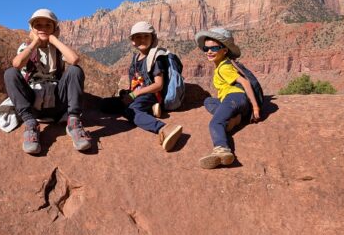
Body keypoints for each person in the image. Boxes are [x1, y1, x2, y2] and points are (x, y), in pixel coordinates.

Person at [3, 8, 91, 154]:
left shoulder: (57, 49)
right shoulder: (26, 48)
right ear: (31, 29)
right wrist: (35, 42)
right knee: (10, 73)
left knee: (75, 70)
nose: (43, 28)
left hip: (57, 102)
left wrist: (54, 40)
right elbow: (17, 64)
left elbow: (74, 60)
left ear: (55, 29)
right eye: (38, 25)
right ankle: (30, 124)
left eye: (48, 25)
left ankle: (73, 122)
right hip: (33, 104)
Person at [101, 21, 183, 151]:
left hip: (151, 95)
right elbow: (136, 82)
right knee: (105, 104)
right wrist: (128, 93)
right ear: (133, 40)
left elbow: (158, 85)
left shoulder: (156, 58)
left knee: (130, 111)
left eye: (146, 36)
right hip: (137, 95)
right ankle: (150, 110)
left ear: (153, 38)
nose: (142, 39)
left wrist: (134, 94)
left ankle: (163, 128)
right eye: (138, 36)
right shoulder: (135, 58)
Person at [194, 27, 260, 169]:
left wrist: (255, 107)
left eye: (214, 48)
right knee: (208, 101)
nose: (209, 51)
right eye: (206, 49)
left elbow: (245, 82)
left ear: (224, 50)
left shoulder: (224, 67)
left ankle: (222, 150)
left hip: (235, 98)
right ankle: (235, 118)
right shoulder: (222, 65)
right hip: (232, 101)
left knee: (215, 124)